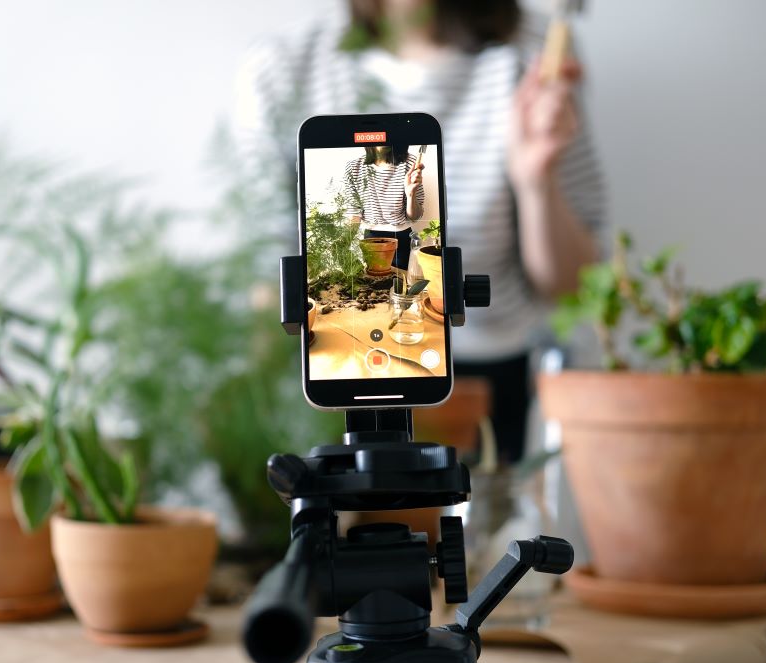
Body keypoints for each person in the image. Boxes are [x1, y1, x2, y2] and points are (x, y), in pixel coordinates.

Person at [233, 0, 605, 463]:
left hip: (490, 386)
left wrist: (536, 181)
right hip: (331, 372)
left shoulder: (533, 53)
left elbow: (574, 287)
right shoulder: (285, 66)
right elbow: (261, 275)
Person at [343, 145, 425, 270]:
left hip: (401, 235)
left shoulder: (410, 164)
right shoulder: (354, 168)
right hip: (371, 237)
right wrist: (343, 243)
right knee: (374, 281)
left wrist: (411, 195)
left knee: (400, 283)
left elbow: (415, 216)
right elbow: (354, 212)